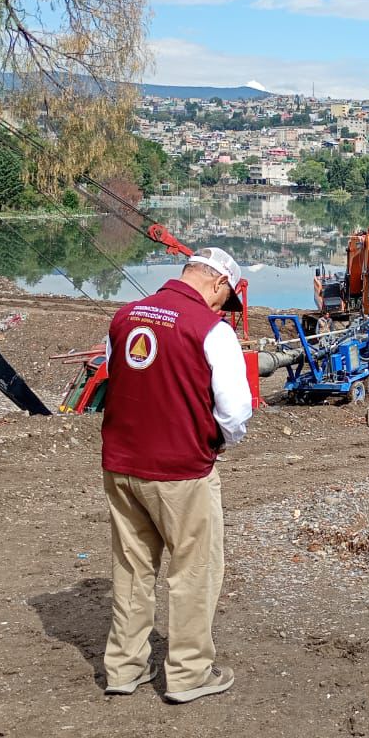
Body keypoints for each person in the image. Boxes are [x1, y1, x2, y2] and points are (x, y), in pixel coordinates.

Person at [100, 248, 253, 703]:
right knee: (193, 571)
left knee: (131, 568)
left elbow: (113, 376)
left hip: (121, 466)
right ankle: (188, 675)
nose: (222, 309)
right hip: (181, 472)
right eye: (224, 300)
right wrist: (220, 441)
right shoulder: (212, 330)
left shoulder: (125, 316)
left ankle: (124, 669)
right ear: (219, 285)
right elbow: (236, 410)